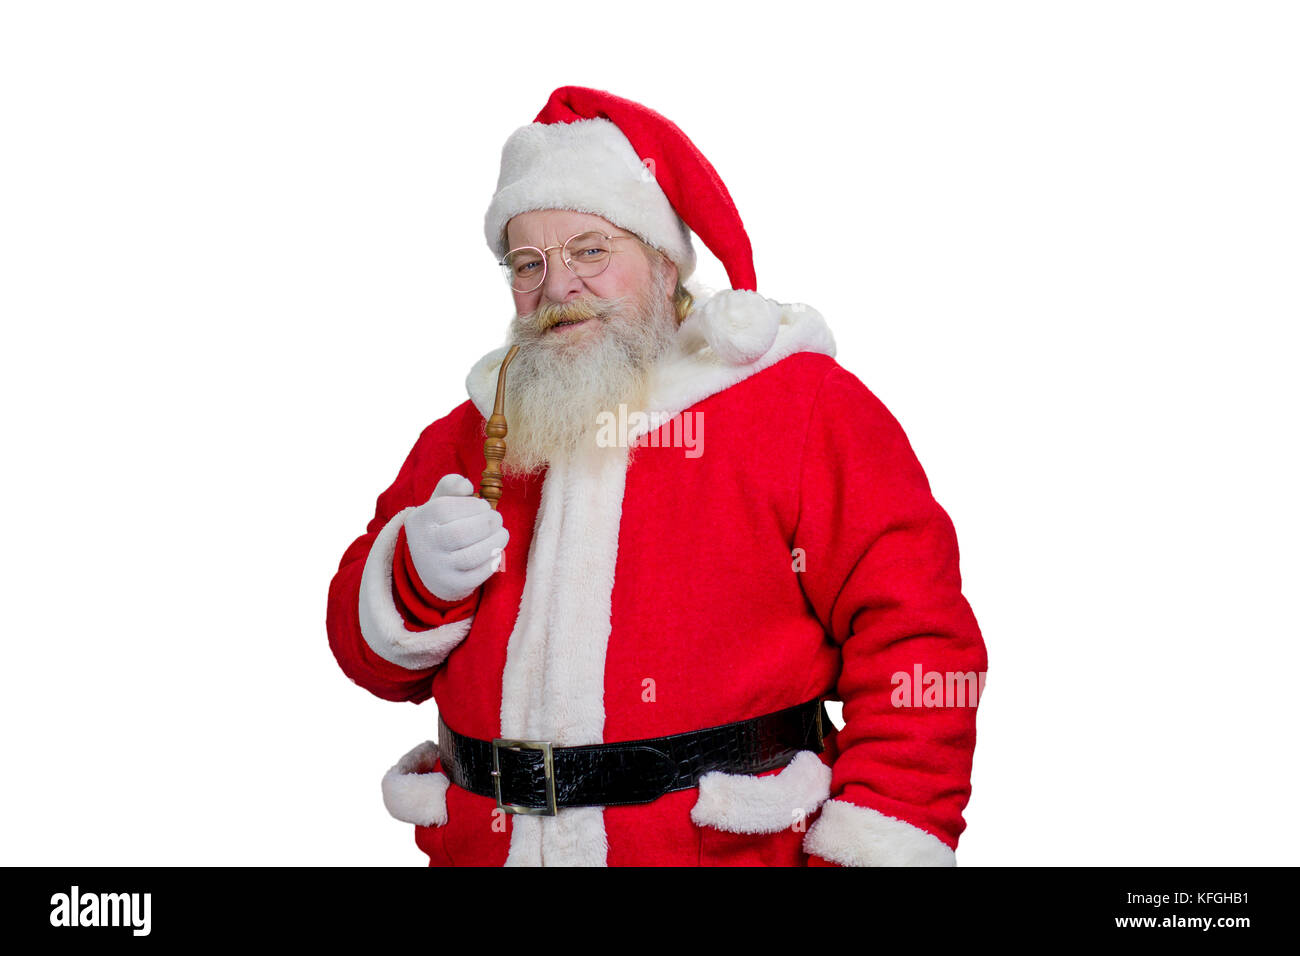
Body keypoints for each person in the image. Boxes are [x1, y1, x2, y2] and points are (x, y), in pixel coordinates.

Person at [326, 86, 988, 867]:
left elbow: (920, 640)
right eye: (528, 263)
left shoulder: (800, 409)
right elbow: (362, 655)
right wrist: (410, 577)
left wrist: (873, 848)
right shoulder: (471, 434)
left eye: (591, 250)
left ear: (665, 260)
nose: (558, 287)